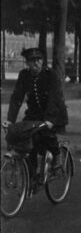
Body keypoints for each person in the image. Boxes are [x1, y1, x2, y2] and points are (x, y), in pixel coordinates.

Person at [5, 47, 69, 180]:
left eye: (39, 59)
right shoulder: (24, 75)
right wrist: (10, 119)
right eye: (32, 60)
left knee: (46, 132)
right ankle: (32, 176)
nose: (36, 63)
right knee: (27, 137)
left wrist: (50, 119)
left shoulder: (51, 75)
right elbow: (17, 97)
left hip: (54, 113)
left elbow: (54, 98)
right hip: (34, 114)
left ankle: (56, 156)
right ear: (27, 63)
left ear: (43, 60)